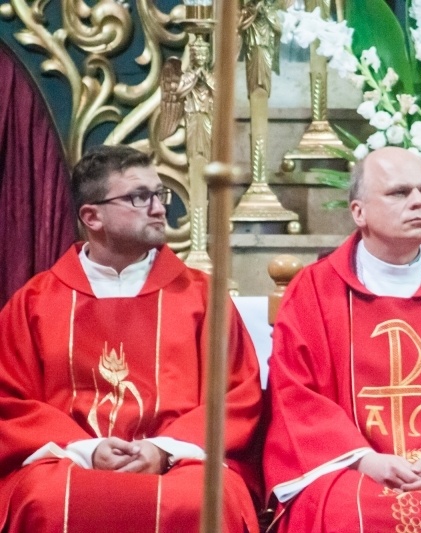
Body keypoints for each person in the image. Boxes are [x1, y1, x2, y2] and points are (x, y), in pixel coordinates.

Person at [0, 145, 263, 532]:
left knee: (202, 500)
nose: (159, 209)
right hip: (69, 459)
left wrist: (162, 450)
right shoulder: (36, 302)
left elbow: (238, 395)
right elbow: (9, 400)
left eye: (160, 195)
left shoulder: (202, 298)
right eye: (140, 197)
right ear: (92, 216)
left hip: (178, 461)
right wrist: (88, 450)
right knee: (46, 501)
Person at [262, 146, 421, 531]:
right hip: (350, 467)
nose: (418, 203)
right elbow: (294, 393)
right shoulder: (313, 291)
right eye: (399, 193)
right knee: (346, 513)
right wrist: (364, 459)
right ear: (358, 212)